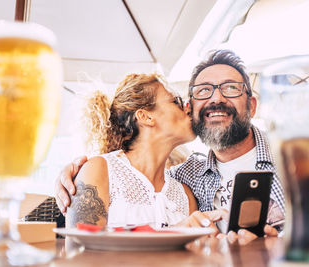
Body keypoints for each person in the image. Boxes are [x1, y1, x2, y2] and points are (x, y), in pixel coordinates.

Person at [55, 50, 284, 243]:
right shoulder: (189, 177)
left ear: (252, 106)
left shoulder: (294, 160)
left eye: (231, 88)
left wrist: (278, 247)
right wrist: (74, 176)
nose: (216, 99)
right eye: (204, 90)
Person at [65, 73, 225, 230]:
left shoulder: (185, 195)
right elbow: (78, 250)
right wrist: (173, 236)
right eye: (176, 101)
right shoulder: (99, 170)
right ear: (145, 117)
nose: (188, 108)